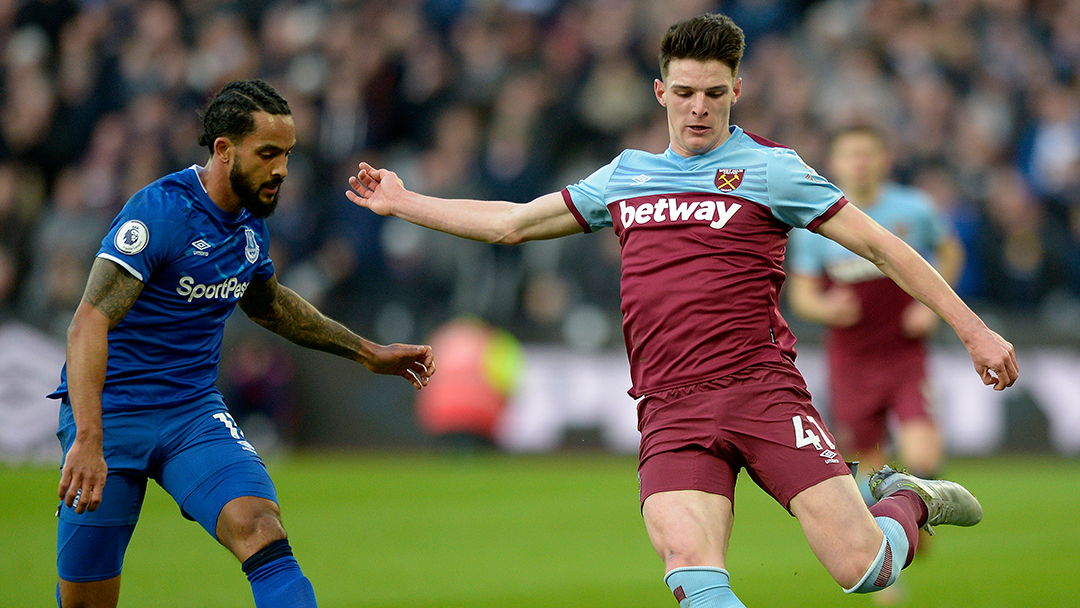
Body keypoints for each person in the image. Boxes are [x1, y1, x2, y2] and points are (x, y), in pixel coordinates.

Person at [346, 13, 1017, 607]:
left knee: (864, 569)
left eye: (715, 94)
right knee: (693, 576)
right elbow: (513, 222)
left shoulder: (771, 169)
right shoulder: (626, 175)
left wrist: (974, 330)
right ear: (662, 92)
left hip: (761, 392)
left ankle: (911, 498)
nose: (699, 109)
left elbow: (882, 246)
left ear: (737, 93)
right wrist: (405, 203)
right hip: (669, 408)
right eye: (687, 93)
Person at [51, 79, 434, 608]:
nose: (281, 169)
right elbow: (88, 322)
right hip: (112, 413)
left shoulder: (251, 224)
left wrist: (369, 352)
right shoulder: (160, 212)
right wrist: (88, 438)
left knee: (259, 525)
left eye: (288, 155)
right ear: (224, 150)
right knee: (87, 601)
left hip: (191, 412)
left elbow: (271, 305)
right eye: (268, 154)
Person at [787, 125, 963, 499]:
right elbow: (802, 297)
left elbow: (950, 253)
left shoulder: (915, 209)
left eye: (868, 153)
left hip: (904, 350)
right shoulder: (815, 222)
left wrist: (929, 306)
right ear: (834, 163)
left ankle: (915, 512)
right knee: (869, 468)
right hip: (852, 357)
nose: (860, 163)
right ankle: (899, 529)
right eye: (851, 154)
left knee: (923, 456)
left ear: (886, 160)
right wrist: (826, 307)